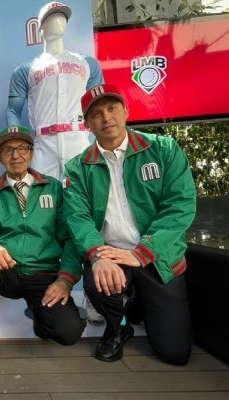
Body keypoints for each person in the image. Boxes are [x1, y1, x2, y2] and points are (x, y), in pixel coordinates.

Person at [63, 84, 196, 365]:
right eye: (96, 113)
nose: (106, 117)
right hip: (111, 256)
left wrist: (141, 253)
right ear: (87, 124)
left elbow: (180, 206)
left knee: (175, 353)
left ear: (126, 110)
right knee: (97, 279)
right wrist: (98, 255)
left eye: (112, 108)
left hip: (155, 256)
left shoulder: (163, 149)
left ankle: (137, 303)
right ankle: (117, 327)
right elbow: (79, 219)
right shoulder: (77, 167)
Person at [0, 125, 84, 372]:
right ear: (0, 157)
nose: (15, 155)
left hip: (44, 275)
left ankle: (40, 317)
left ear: (31, 153)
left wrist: (65, 279)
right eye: (8, 149)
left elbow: (71, 238)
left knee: (68, 333)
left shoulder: (53, 188)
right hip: (7, 271)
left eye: (21, 148)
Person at [7, 1, 104, 181]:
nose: (59, 21)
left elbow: (99, 103)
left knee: (84, 192)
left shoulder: (87, 63)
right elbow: (13, 110)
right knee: (42, 198)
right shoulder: (25, 69)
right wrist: (16, 142)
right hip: (44, 143)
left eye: (62, 17)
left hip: (78, 138)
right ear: (40, 27)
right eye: (51, 18)